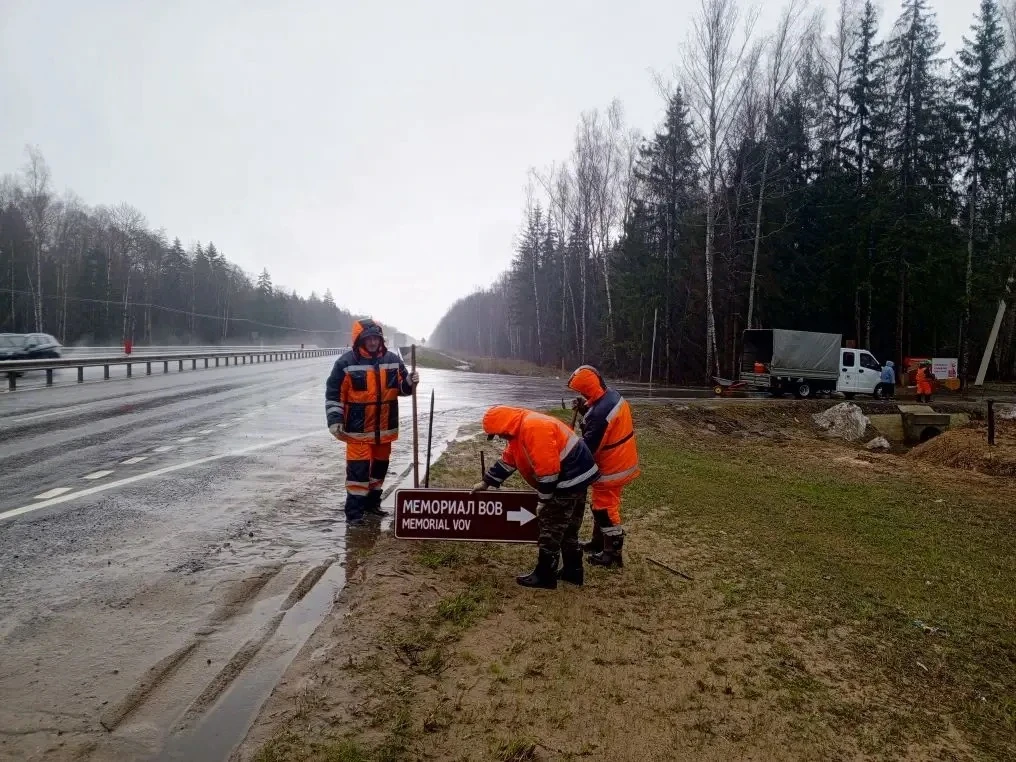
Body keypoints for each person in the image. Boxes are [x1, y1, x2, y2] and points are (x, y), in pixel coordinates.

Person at [473, 406, 599, 589]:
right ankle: (573, 571)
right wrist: (487, 482)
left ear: (504, 427)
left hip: (568, 480)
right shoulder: (520, 430)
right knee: (569, 528)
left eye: (498, 434)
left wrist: (543, 500)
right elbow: (509, 459)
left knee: (551, 527)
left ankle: (545, 575)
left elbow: (548, 470)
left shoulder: (533, 428)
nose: (500, 438)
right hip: (578, 476)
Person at [325, 319, 418, 525]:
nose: (374, 342)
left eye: (376, 338)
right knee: (358, 476)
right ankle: (355, 516)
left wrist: (410, 382)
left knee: (378, 472)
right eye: (369, 339)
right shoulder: (345, 363)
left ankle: (372, 505)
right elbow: (334, 395)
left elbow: (402, 389)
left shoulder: (393, 360)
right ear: (360, 340)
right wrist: (335, 420)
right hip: (356, 432)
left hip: (384, 431)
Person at [567, 365, 640, 568]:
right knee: (601, 505)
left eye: (582, 391)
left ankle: (612, 553)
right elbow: (598, 412)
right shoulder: (610, 397)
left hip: (613, 467)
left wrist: (568, 459)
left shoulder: (600, 413)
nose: (581, 395)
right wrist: (585, 409)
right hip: (620, 460)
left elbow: (589, 447)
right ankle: (598, 543)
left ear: (589, 388)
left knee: (605, 509)